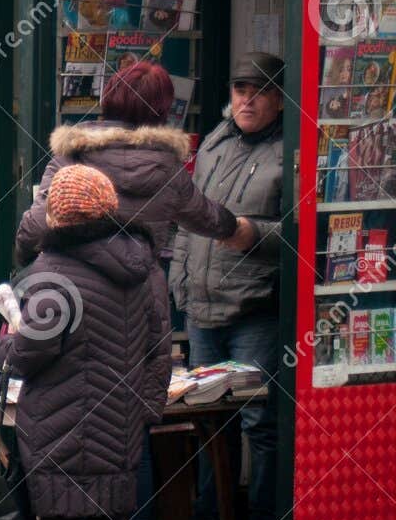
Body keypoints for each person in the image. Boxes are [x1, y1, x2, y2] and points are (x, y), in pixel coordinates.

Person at [17, 61, 248, 404]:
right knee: (131, 414)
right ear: (162, 110)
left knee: (71, 405)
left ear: (108, 99)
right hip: (140, 307)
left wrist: (31, 261)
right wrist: (239, 228)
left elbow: (33, 230)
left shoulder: (72, 158)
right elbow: (207, 216)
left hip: (73, 301)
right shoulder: (168, 169)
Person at [0, 165, 164, 520]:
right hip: (122, 412)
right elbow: (157, 342)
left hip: (59, 414)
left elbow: (30, 352)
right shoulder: (144, 268)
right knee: (112, 509)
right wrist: (146, 404)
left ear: (57, 217)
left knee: (59, 512)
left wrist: (4, 342)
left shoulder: (50, 275)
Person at [170, 51, 286, 520]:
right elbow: (185, 215)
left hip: (254, 306)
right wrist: (179, 277)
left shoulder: (292, 151)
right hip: (202, 307)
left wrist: (255, 233)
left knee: (260, 422)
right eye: (240, 90)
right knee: (207, 419)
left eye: (258, 91)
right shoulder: (215, 143)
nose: (247, 100)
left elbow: (306, 231)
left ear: (280, 100)